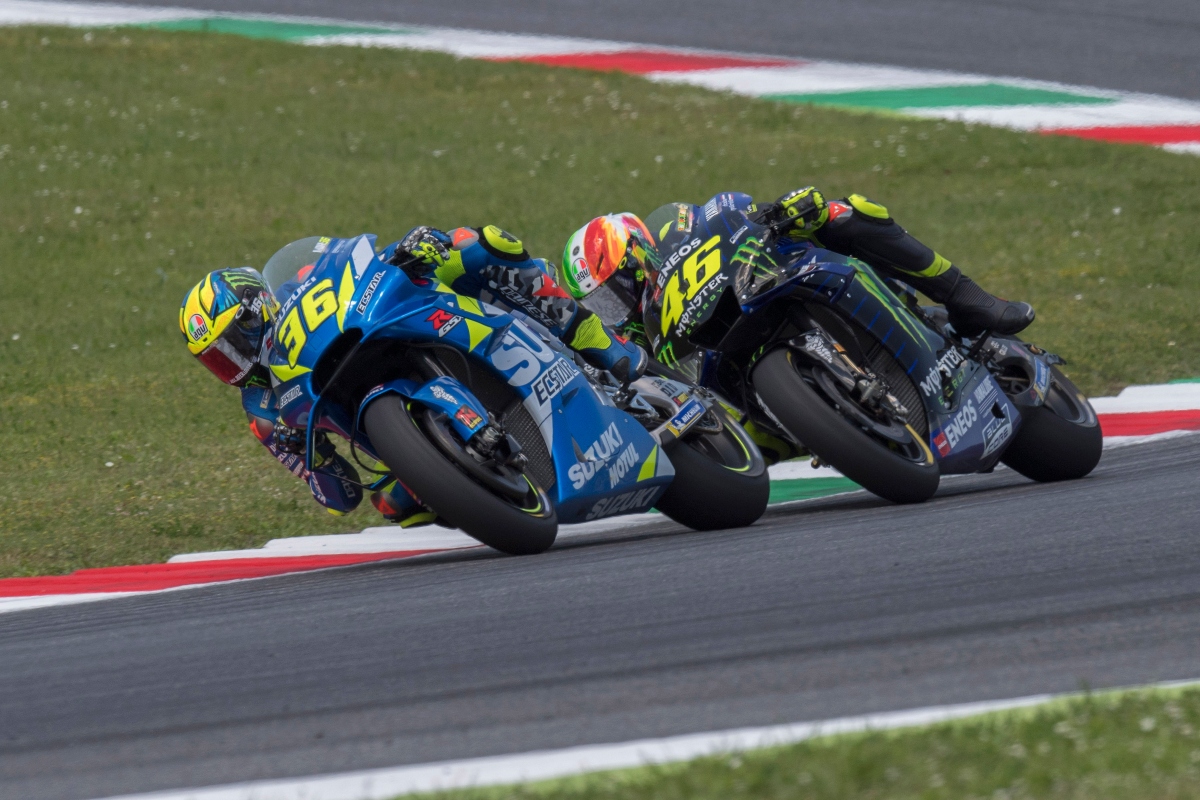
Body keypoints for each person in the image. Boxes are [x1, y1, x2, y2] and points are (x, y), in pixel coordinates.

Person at [180, 226, 647, 526]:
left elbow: (352, 260)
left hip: (379, 328)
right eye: (217, 360)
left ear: (254, 307)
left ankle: (596, 340)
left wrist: (412, 245)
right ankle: (475, 481)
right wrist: (309, 460)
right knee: (393, 506)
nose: (233, 362)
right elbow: (340, 497)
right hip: (380, 427)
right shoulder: (261, 410)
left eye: (231, 343)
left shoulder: (295, 283)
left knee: (480, 244)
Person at [557, 190, 1036, 462]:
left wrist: (783, 211)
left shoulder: (677, 230)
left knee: (844, 212)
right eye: (600, 302)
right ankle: (835, 418)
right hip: (741, 389)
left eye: (615, 287)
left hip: (765, 280)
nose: (615, 305)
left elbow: (729, 210)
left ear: (637, 253)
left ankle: (969, 298)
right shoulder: (636, 339)